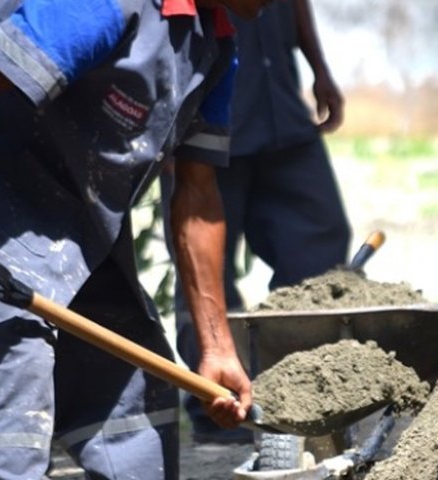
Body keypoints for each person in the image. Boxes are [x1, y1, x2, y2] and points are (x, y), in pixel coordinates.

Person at [0, 0, 270, 478]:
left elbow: (198, 197)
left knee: (138, 399)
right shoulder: (108, 6)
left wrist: (217, 348)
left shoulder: (217, 47)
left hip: (83, 232)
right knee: (17, 385)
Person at [170, 0, 351, 444]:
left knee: (320, 237)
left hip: (282, 111)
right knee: (206, 266)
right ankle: (219, 407)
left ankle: (298, 393)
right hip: (210, 120)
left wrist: (318, 67)